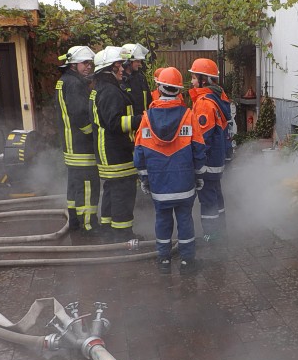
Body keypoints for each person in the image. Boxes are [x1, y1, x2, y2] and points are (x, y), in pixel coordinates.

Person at [134, 67, 206, 274]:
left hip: (159, 184)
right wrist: (199, 176)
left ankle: (164, 259)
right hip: (184, 183)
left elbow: (139, 154)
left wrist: (145, 180)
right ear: (179, 90)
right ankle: (187, 261)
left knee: (162, 219)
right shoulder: (188, 115)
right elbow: (199, 150)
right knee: (185, 220)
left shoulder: (147, 118)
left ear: (159, 88)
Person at [89, 46, 142, 242]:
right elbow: (114, 123)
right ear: (108, 70)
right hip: (116, 152)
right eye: (118, 66)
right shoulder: (110, 92)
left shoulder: (103, 89)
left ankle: (108, 229)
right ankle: (123, 235)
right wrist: (140, 119)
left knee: (112, 190)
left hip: (109, 151)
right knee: (124, 192)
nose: (122, 69)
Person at [54, 45, 100, 235]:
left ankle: (74, 221)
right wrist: (93, 134)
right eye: (84, 63)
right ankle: (89, 225)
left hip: (70, 145)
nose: (88, 67)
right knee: (88, 186)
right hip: (81, 145)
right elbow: (80, 114)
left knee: (74, 186)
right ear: (73, 64)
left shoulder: (64, 81)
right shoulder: (74, 84)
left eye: (90, 63)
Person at [187, 58, 233, 243]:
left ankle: (212, 235)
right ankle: (221, 230)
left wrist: (194, 161)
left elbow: (201, 138)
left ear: (203, 79)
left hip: (207, 161)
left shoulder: (205, 102)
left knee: (208, 200)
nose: (191, 82)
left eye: (193, 78)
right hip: (217, 159)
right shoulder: (219, 97)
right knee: (216, 195)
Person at [121, 43, 151, 114]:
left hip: (143, 122)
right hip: (127, 123)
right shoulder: (120, 80)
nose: (140, 64)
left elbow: (148, 100)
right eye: (137, 61)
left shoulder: (141, 78)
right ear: (127, 62)